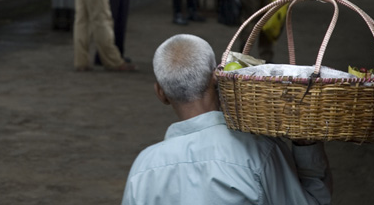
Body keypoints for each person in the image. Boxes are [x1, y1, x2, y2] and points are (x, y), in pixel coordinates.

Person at [121, 34, 333, 205]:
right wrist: (307, 146)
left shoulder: (143, 167)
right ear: (216, 76)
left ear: (161, 93)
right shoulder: (259, 152)